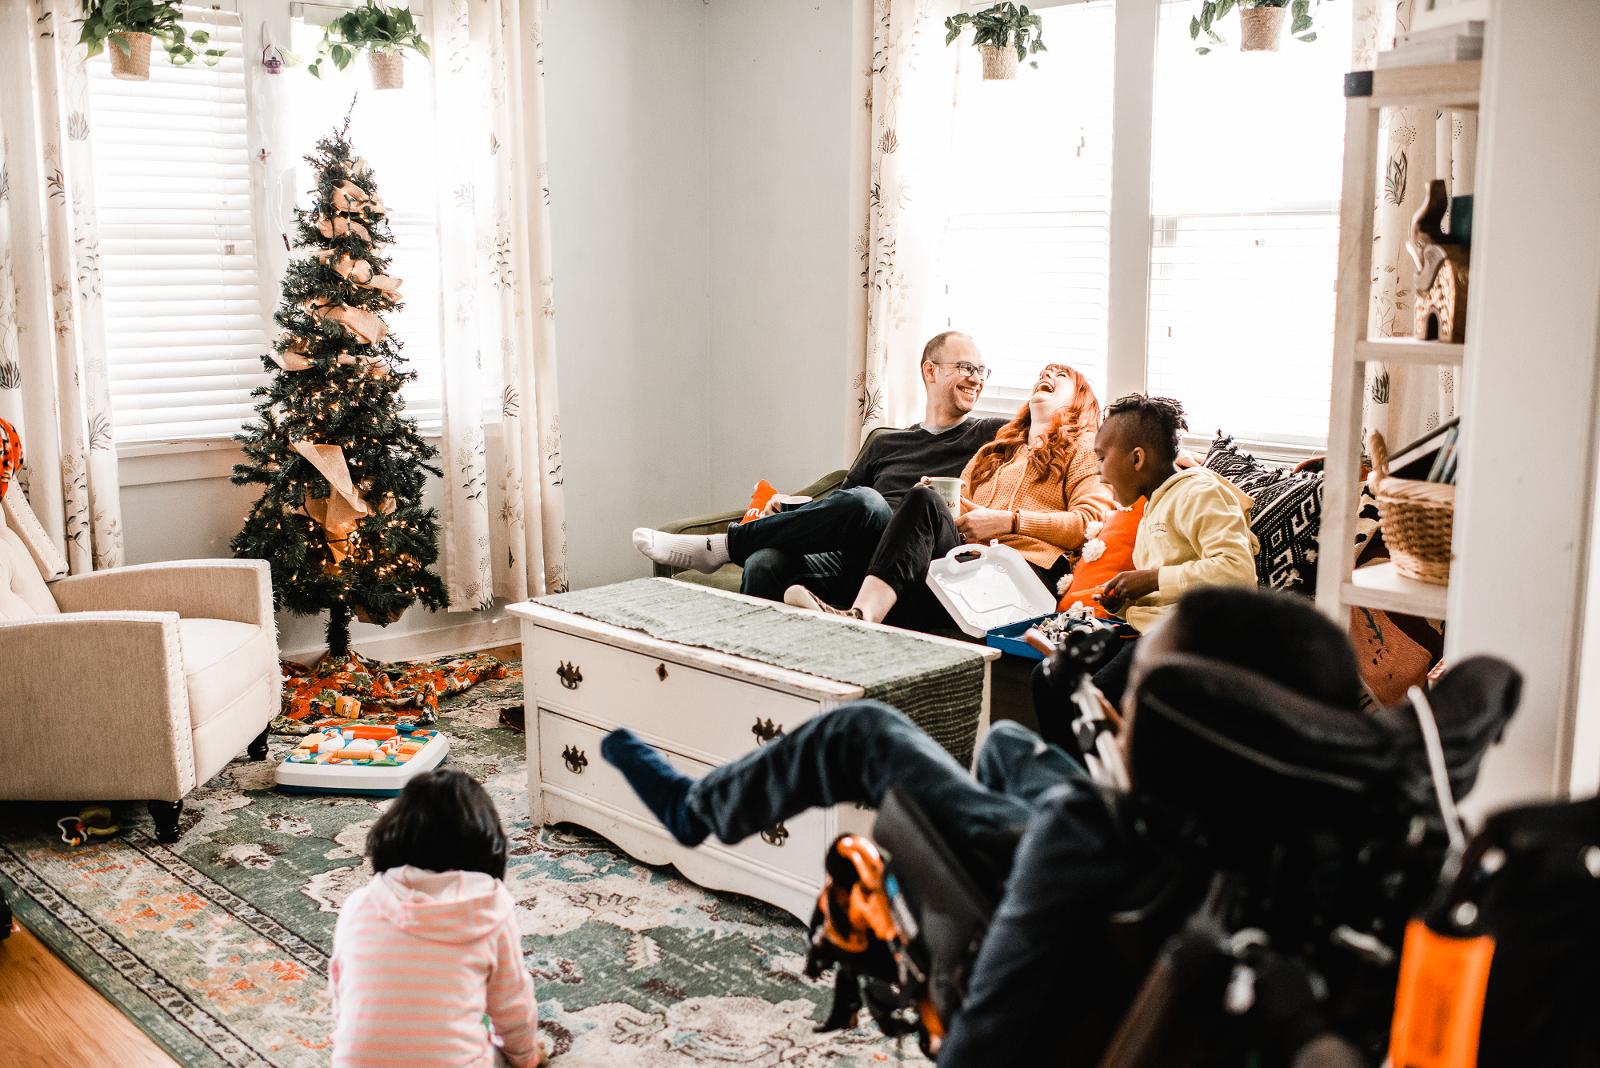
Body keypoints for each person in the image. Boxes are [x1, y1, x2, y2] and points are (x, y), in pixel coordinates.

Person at [599, 586, 1365, 1067]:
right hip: (1152, 834)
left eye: (1133, 701)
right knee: (1005, 742)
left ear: (1180, 734)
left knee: (860, 732)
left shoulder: (1081, 829)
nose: (1118, 709)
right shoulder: (1301, 845)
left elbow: (985, 1035)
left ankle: (696, 811)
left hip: (1053, 844)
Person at [631, 331, 1008, 604]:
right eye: (965, 367)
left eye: (981, 369)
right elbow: (845, 503)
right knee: (765, 564)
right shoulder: (885, 442)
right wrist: (796, 507)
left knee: (868, 503)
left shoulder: (990, 434)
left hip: (915, 556)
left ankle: (722, 546)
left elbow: (1054, 425)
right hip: (857, 556)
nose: (976, 377)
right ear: (931, 371)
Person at [783, 364, 1114, 632]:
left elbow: (1090, 524)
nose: (1045, 375)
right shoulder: (995, 452)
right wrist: (944, 505)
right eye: (1042, 372)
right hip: (967, 567)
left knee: (923, 505)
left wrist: (1008, 521)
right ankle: (857, 615)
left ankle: (860, 619)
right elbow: (958, 515)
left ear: (1080, 400)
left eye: (1059, 375)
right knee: (924, 497)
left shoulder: (1083, 449)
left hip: (1023, 578)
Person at [330, 769, 545, 1068]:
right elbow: (512, 1004)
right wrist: (525, 1058)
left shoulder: (358, 905)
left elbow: (344, 994)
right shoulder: (491, 909)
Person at [1074, 393, 1258, 710]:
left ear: (1136, 459)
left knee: (1094, 697)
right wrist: (1122, 601)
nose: (1098, 472)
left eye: (1102, 458)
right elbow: (1163, 591)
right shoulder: (1153, 506)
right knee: (1050, 680)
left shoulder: (1198, 493)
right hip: (1146, 631)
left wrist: (1153, 579)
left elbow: (1237, 572)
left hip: (1188, 640)